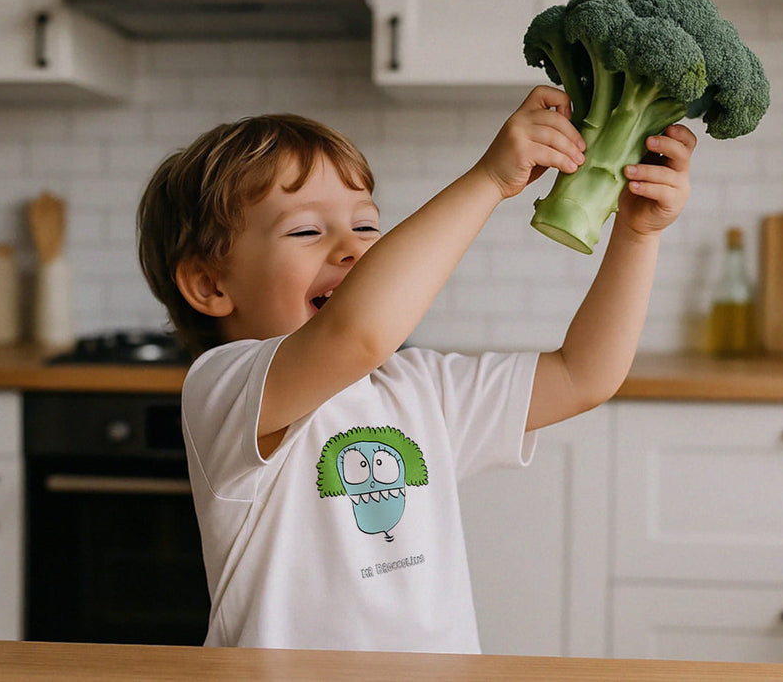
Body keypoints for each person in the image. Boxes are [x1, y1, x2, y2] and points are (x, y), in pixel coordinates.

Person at [136, 86, 695, 652]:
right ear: (210, 284)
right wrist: (490, 180)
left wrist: (636, 234)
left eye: (365, 226)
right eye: (306, 231)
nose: (353, 251)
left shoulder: (419, 388)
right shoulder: (224, 386)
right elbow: (360, 334)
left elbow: (584, 375)